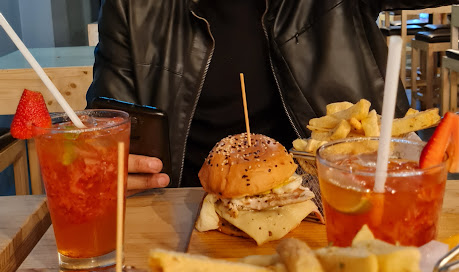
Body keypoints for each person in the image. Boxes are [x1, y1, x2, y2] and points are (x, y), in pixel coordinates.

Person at [87, 0, 452, 192]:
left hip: (346, 196)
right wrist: (103, 165)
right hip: (185, 209)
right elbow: (104, 128)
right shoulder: (128, 6)